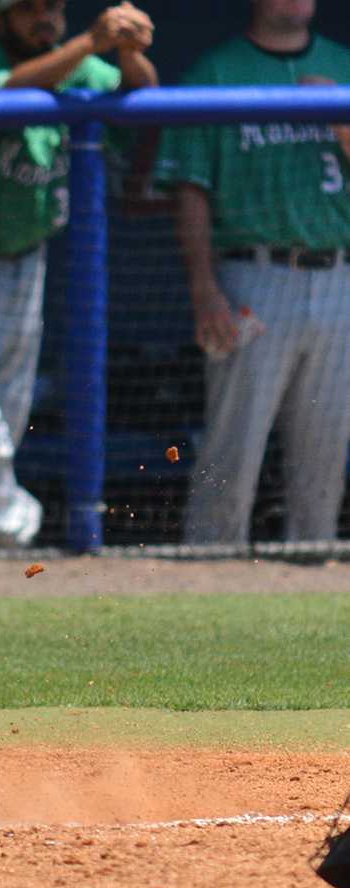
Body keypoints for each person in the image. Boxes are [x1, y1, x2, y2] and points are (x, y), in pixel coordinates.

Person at [0, 0, 156, 549]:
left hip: (26, 261)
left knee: (2, 420)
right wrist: (91, 44)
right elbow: (4, 95)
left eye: (52, 7)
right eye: (28, 10)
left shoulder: (82, 62)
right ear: (0, 19)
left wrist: (130, 52)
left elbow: (141, 95)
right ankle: (16, 527)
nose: (44, 18)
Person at [153, 0, 350, 546]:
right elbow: (189, 191)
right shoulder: (214, 73)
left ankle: (311, 570)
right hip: (252, 275)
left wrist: (339, 120)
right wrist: (203, 288)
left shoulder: (344, 65)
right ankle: (209, 570)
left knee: (327, 449)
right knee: (234, 443)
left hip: (340, 274)